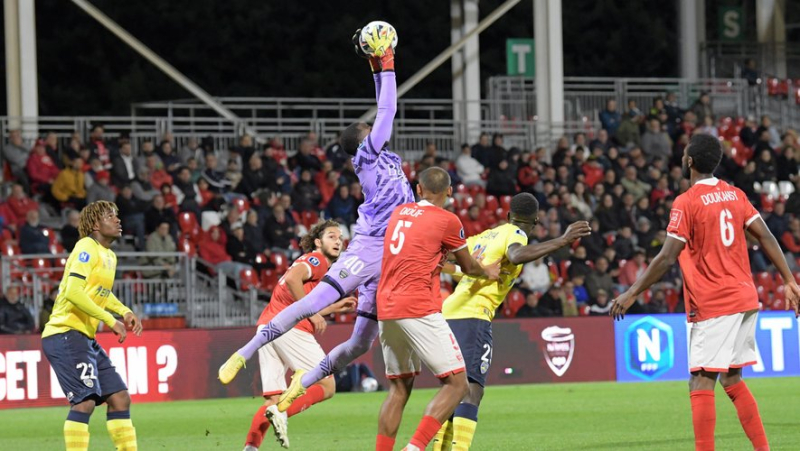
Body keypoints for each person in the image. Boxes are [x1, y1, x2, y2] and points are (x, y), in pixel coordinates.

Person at [218, 31, 416, 409]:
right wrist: (389, 64)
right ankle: (244, 351)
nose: (376, 131)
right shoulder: (368, 157)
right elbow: (387, 109)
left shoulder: (385, 156)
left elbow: (381, 107)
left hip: (394, 254)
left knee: (361, 342)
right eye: (369, 130)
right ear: (363, 142)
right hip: (373, 244)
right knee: (314, 302)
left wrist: (374, 65)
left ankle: (302, 384)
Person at [611, 134, 800, 451]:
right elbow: (766, 236)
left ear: (689, 162)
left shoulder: (686, 202)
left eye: (685, 154)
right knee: (732, 379)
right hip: (744, 297)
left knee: (700, 381)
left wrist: (631, 292)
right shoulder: (735, 194)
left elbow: (667, 256)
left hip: (713, 302)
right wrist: (788, 279)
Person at [434, 193, 590, 451]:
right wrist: (562, 240)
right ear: (536, 220)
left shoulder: (485, 237)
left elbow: (445, 260)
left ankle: (439, 447)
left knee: (453, 388)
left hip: (448, 313)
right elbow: (516, 255)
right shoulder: (515, 233)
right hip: (473, 316)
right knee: (473, 390)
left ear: (507, 215)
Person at [375, 167, 500, 451]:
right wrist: (487, 271)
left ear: (418, 190)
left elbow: (433, 260)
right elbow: (469, 266)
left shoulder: (399, 214)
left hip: (386, 307)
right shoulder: (447, 220)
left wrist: (455, 267)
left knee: (399, 389)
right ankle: (415, 448)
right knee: (458, 385)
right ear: (450, 191)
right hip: (417, 306)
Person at [244, 220, 356, 451]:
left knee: (272, 400)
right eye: (331, 237)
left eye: (340, 237)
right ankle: (282, 414)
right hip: (289, 329)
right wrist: (313, 313)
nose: (338, 241)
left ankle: (250, 448)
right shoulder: (315, 260)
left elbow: (296, 295)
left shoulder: (316, 266)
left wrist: (332, 308)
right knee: (327, 386)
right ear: (317, 242)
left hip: (268, 328)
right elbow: (294, 280)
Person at [41, 200, 143, 451]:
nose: (118, 220)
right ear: (96, 224)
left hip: (84, 337)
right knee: (85, 401)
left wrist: (124, 310)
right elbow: (74, 292)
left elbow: (100, 292)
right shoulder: (86, 246)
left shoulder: (109, 255)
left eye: (117, 215)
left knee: (120, 399)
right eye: (111, 216)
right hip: (64, 333)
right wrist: (110, 320)